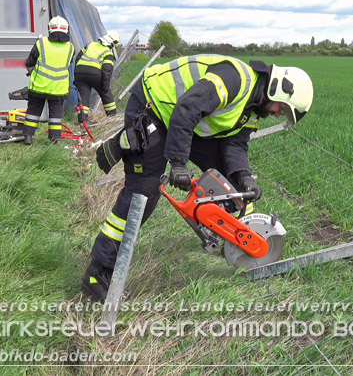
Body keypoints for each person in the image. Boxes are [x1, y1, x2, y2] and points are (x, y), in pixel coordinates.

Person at [83, 55, 314, 301]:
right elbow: (186, 109)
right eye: (283, 109)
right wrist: (179, 163)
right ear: (278, 90)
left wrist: (244, 176)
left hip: (187, 121)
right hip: (155, 107)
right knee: (144, 192)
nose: (279, 114)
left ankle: (220, 237)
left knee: (233, 187)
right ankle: (98, 272)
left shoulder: (256, 108)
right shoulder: (235, 80)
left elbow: (235, 145)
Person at [22, 16, 75, 145]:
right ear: (66, 30)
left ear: (49, 29)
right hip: (58, 88)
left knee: (33, 112)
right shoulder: (71, 48)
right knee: (55, 116)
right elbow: (68, 63)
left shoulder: (41, 43)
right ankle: (54, 140)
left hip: (39, 86)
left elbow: (30, 62)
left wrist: (31, 72)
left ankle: (28, 137)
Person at [74, 31, 119, 118]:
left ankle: (82, 120)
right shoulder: (108, 53)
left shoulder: (90, 45)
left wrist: (78, 71)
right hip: (94, 74)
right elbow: (107, 71)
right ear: (113, 44)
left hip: (79, 72)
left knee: (84, 96)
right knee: (106, 94)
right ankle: (112, 116)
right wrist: (105, 87)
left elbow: (78, 57)